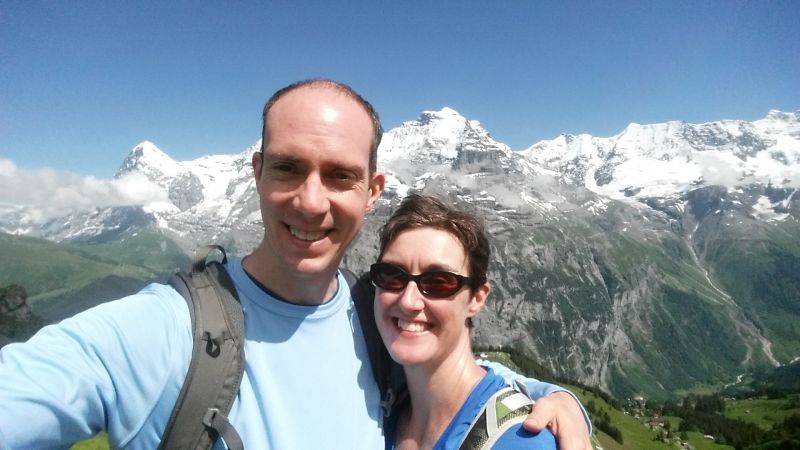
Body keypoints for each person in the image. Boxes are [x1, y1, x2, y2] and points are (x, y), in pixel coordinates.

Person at [0, 79, 591, 449]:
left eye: (339, 175)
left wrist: (557, 399)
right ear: (257, 173)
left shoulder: (379, 318)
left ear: (372, 190)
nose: (311, 202)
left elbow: (456, 370)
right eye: (287, 167)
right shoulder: (165, 331)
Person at [373, 194, 557, 450]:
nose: (408, 301)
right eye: (391, 276)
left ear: (477, 298)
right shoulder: (377, 413)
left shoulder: (520, 441)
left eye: (438, 282)